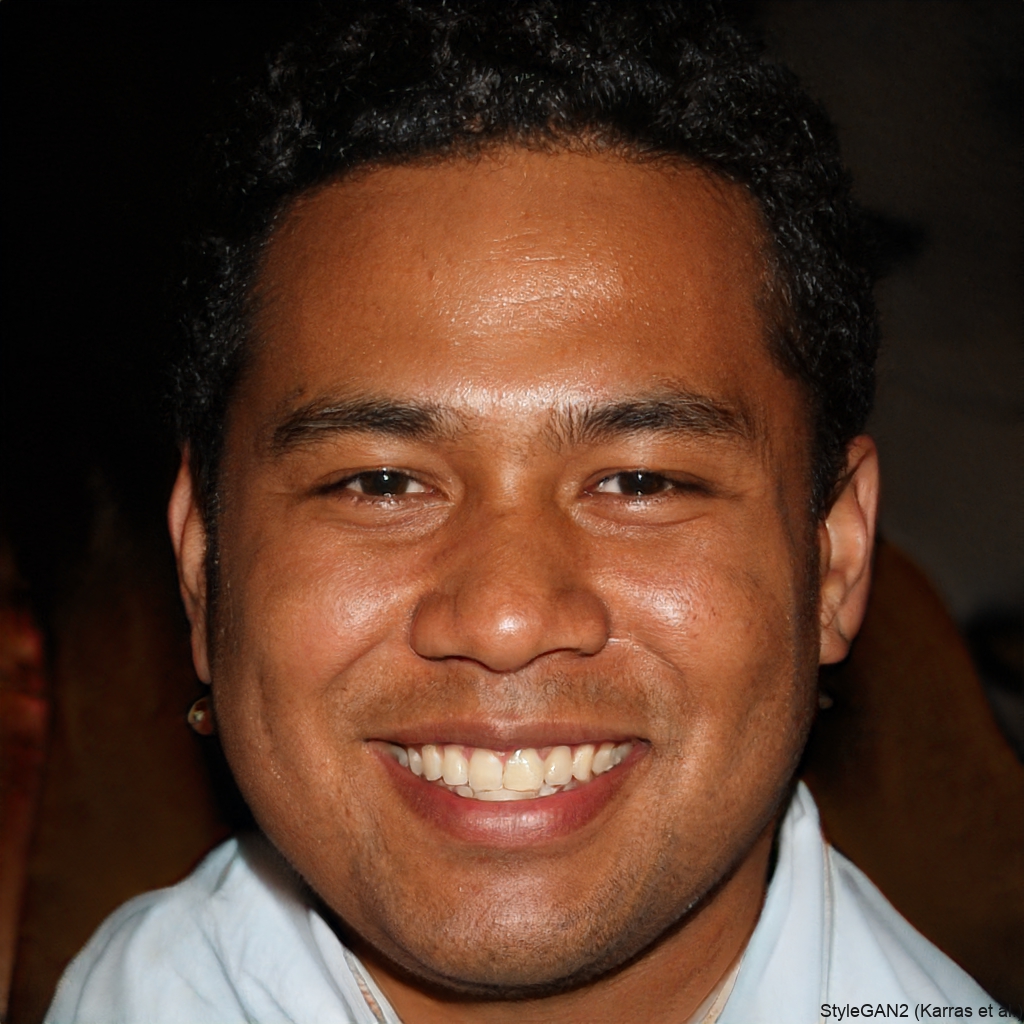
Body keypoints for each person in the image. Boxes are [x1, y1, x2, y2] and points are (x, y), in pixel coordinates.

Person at [44, 2, 996, 1022]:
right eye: (381, 482)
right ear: (203, 565)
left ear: (835, 561)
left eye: (639, 482)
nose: (504, 619)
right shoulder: (125, 990)